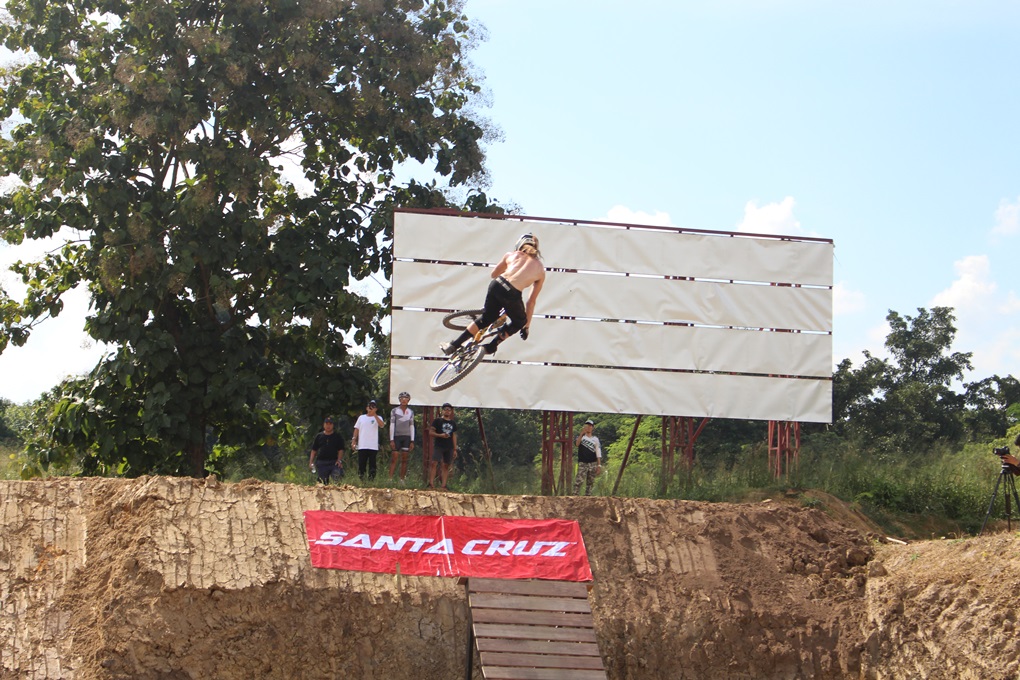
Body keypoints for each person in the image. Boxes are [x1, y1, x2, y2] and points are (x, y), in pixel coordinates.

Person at [441, 233, 546, 356]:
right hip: (512, 294)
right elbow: (531, 302)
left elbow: (494, 274)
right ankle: (491, 347)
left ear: (519, 245)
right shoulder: (540, 270)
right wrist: (526, 327)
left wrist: (510, 269)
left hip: (497, 284)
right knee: (520, 321)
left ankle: (453, 345)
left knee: (486, 318)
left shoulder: (511, 255)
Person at [352, 400, 386, 480]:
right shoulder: (361, 417)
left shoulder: (378, 418)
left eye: (373, 407)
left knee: (372, 464)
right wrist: (354, 440)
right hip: (362, 445)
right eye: (369, 407)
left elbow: (382, 425)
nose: (370, 408)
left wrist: (375, 415)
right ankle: (362, 479)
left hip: (373, 446)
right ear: (366, 408)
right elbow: (356, 429)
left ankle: (371, 480)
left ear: (376, 409)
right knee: (361, 464)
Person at [428, 402, 458, 490]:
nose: (447, 411)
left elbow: (454, 436)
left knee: (446, 465)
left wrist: (455, 449)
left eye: (449, 410)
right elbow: (431, 432)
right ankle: (431, 484)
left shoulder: (453, 423)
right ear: (442, 411)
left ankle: (443, 485)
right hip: (439, 445)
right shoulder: (437, 421)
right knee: (434, 463)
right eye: (445, 409)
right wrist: (440, 435)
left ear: (451, 412)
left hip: (449, 446)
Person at [388, 391, 415, 485]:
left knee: (404, 459)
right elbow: (392, 424)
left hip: (406, 437)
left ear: (408, 400)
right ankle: (390, 479)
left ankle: (402, 480)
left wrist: (412, 440)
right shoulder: (394, 411)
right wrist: (391, 439)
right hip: (397, 436)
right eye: (402, 398)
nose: (404, 400)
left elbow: (412, 425)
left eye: (406, 398)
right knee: (394, 458)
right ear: (399, 400)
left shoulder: (410, 412)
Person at [308, 416, 345, 484]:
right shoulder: (319, 436)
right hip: (322, 462)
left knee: (337, 478)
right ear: (324, 425)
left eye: (330, 424)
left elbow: (341, 450)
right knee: (322, 482)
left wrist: (339, 460)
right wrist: (311, 462)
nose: (328, 426)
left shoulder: (337, 436)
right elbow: (314, 450)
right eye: (326, 424)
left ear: (333, 425)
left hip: (334, 462)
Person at [572, 419, 603, 496]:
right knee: (579, 480)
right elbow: (577, 444)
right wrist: (581, 434)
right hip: (583, 462)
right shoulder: (581, 437)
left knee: (590, 482)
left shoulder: (595, 439)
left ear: (592, 427)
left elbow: (598, 452)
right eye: (587, 425)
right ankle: (575, 495)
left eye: (590, 426)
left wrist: (599, 465)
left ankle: (588, 497)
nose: (588, 427)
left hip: (592, 463)